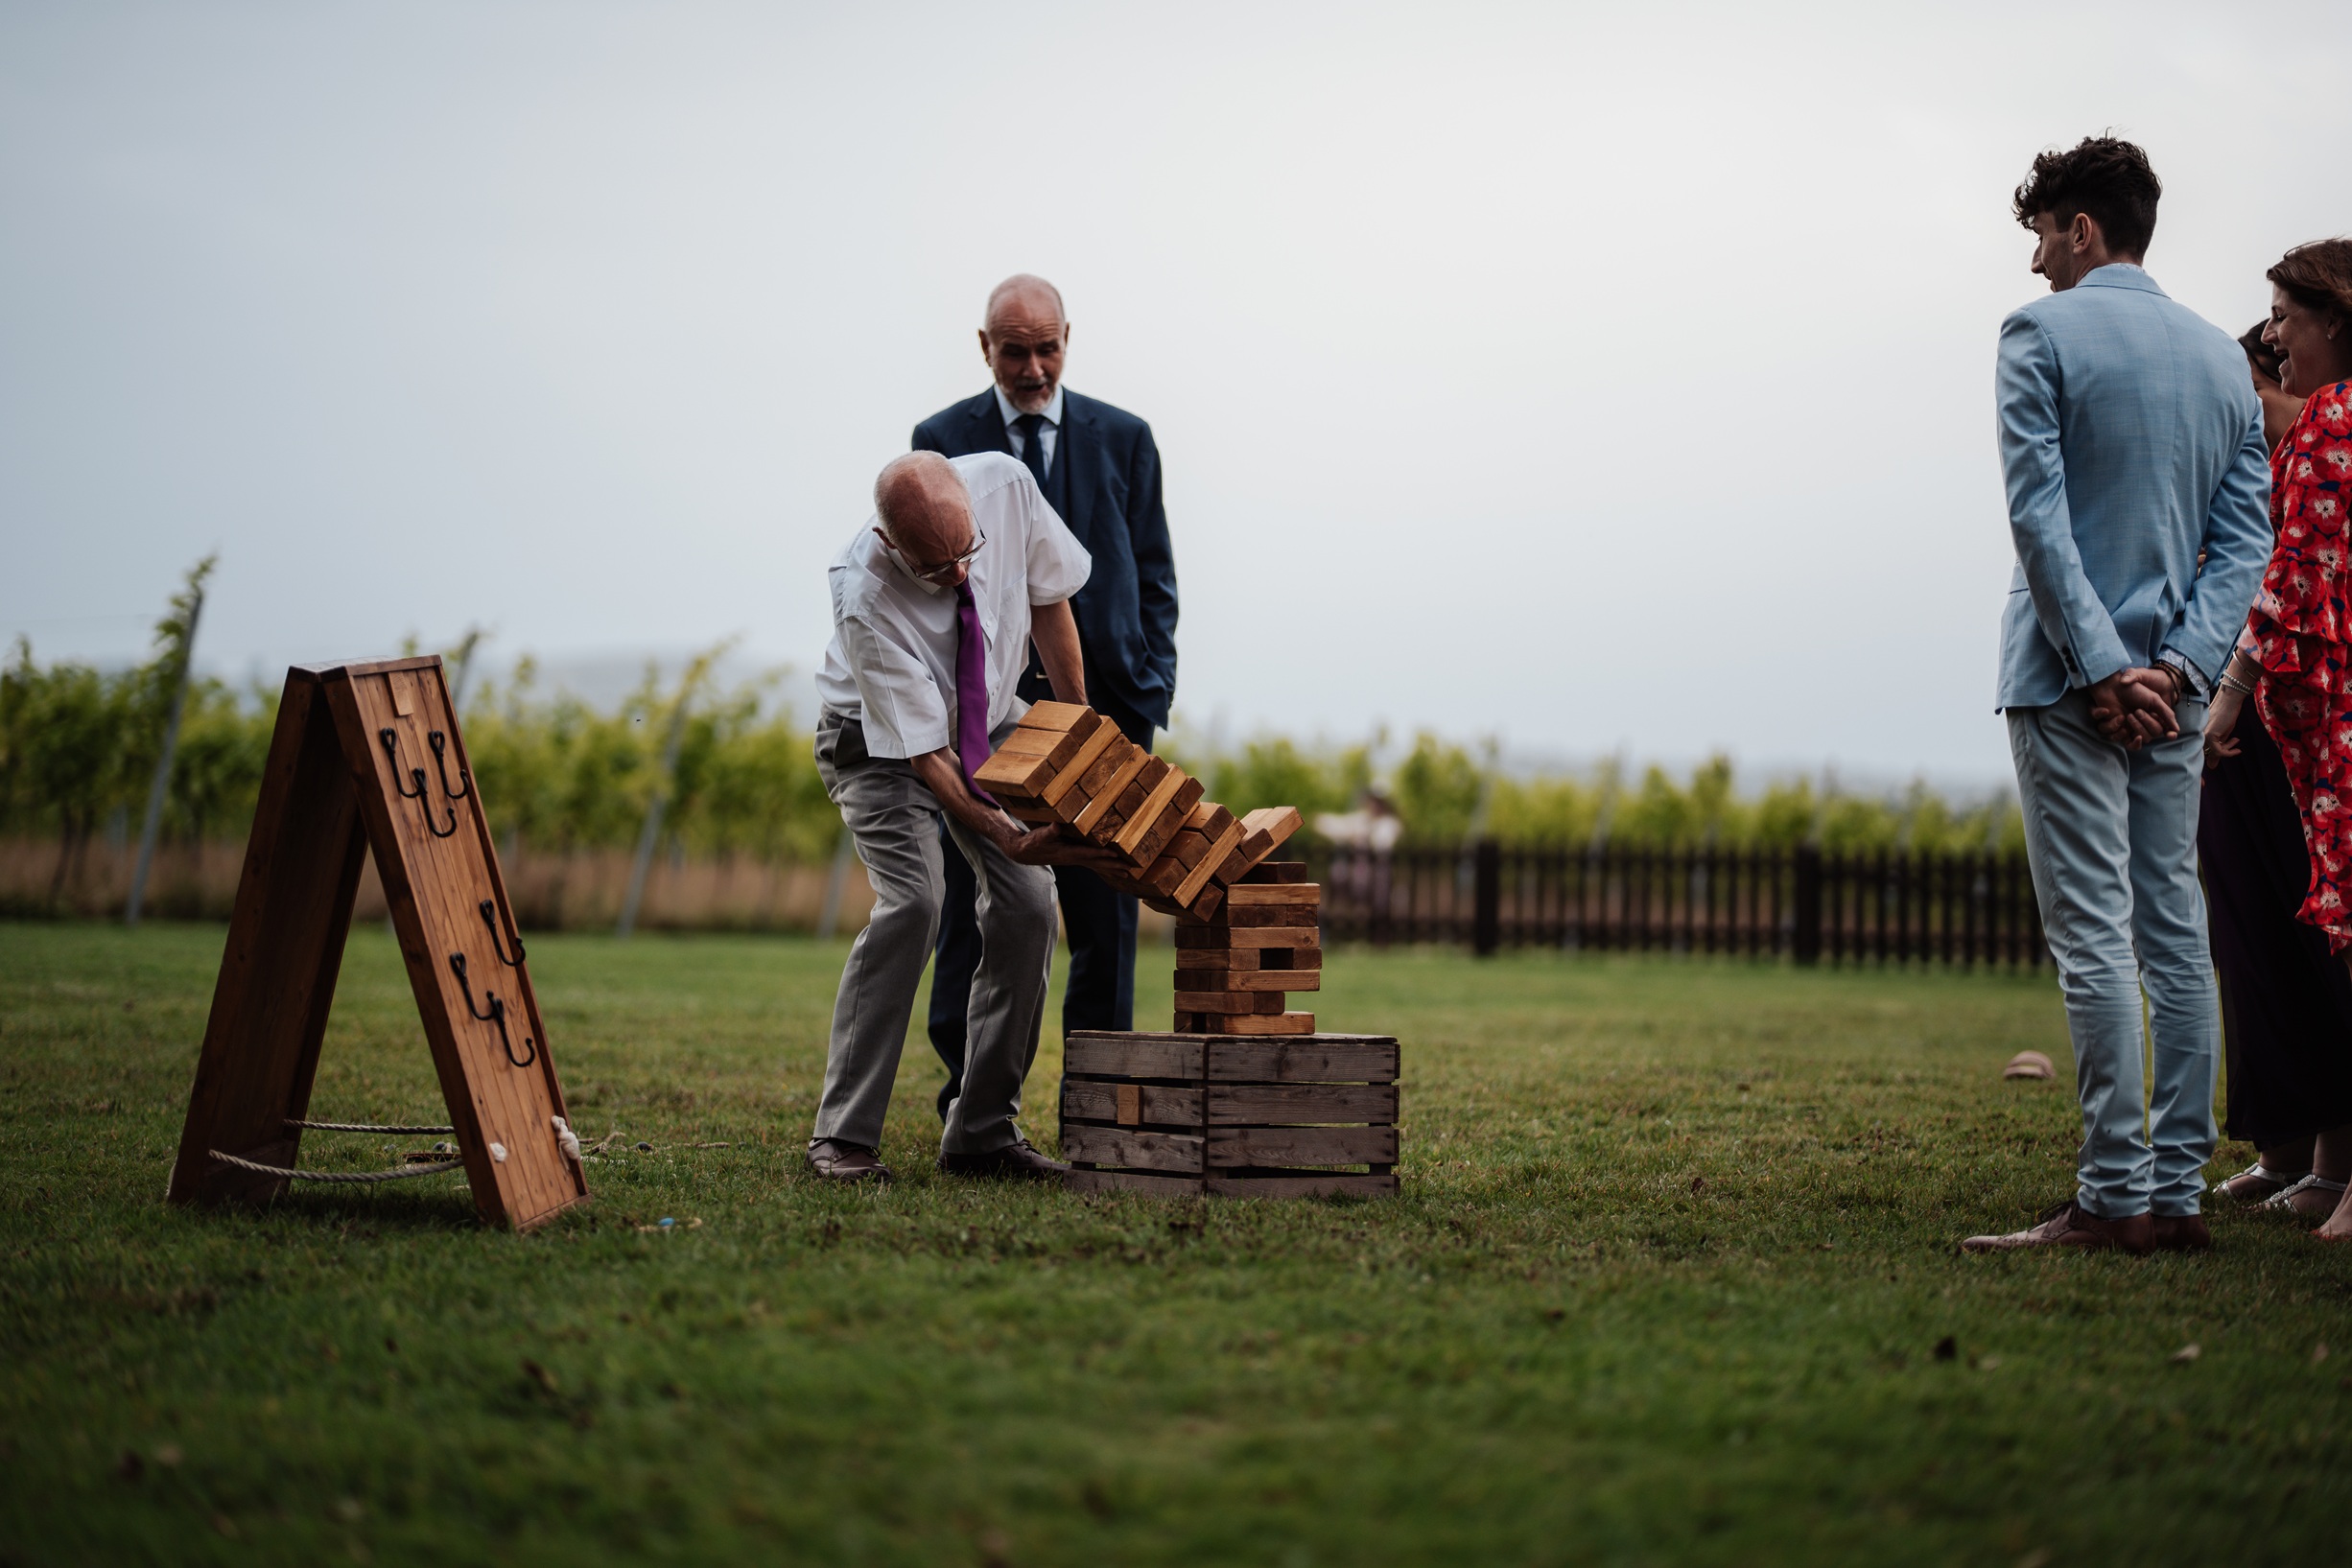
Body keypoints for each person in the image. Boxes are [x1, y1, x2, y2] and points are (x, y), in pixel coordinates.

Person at [1963, 137, 2271, 1255]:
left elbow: (2037, 519)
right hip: (2177, 692)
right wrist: (2181, 669)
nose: (2038, 260)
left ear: (2082, 229)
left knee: (2095, 936)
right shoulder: (2218, 359)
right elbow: (2246, 539)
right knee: (2175, 933)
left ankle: (2110, 1196)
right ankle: (2176, 1194)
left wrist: (2101, 668)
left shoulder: (2036, 333)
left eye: (2043, 234)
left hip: (2065, 680)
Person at [804, 451, 1116, 1183]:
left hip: (990, 713)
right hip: (879, 746)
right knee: (916, 902)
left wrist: (1078, 736)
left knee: (1031, 905)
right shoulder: (864, 595)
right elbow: (930, 761)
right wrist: (1011, 834)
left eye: (967, 552)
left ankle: (981, 1133)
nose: (960, 576)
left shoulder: (1006, 486)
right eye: (933, 569)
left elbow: (1048, 599)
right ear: (889, 545)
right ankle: (841, 1138)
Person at [912, 275, 1178, 1117]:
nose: (1033, 367)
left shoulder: (1127, 438)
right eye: (1015, 350)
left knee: (1106, 913)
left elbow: (1155, 571)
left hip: (1104, 712)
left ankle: (1097, 1104)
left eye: (1047, 347)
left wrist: (1148, 683)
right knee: (976, 902)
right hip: (984, 713)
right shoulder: (940, 437)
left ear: (1069, 337)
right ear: (983, 347)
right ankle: (973, 1095)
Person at [2200, 239, 2352, 1243]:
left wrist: (2231, 688)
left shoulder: (2331, 425)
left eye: (2284, 320)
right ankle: (2319, 1163)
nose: (2273, 336)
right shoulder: (2310, 436)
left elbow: (2293, 575)